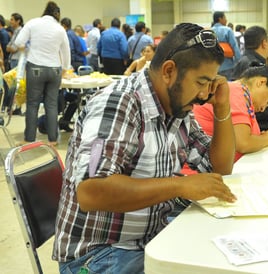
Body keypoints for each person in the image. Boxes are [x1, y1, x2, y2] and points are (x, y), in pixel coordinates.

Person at [52, 23, 237, 274]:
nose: (205, 94)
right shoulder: (117, 104)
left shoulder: (177, 108)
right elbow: (90, 191)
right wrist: (181, 186)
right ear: (169, 71)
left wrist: (222, 108)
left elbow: (220, 167)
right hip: (100, 254)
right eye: (201, 82)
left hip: (148, 239)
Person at [193, 64, 268, 162]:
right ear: (261, 82)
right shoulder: (237, 92)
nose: (263, 109)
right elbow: (243, 143)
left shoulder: (240, 94)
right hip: (201, 167)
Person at [14, 1, 70, 146]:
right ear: (57, 15)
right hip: (55, 69)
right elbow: (66, 51)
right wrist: (64, 69)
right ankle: (52, 140)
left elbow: (19, 42)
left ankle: (29, 139)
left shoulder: (33, 23)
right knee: (51, 105)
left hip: (35, 68)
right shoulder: (60, 28)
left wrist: (27, 51)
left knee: (32, 105)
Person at [211, 11, 241, 80]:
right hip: (227, 66)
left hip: (213, 67)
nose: (226, 20)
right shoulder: (227, 30)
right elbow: (234, 46)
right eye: (224, 17)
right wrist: (239, 61)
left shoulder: (209, 31)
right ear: (220, 18)